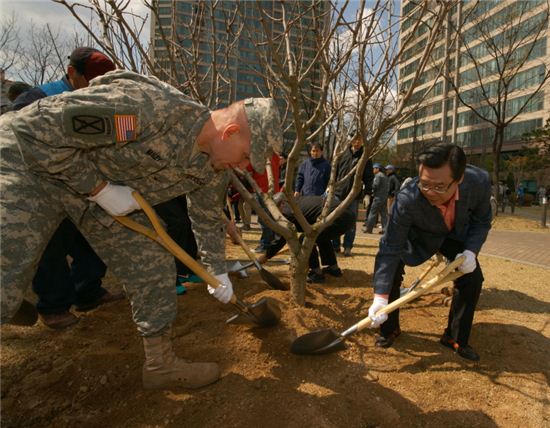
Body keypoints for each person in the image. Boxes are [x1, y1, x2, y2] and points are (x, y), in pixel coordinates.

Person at [0, 70, 282, 390]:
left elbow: (204, 218)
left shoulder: (212, 168)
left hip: (96, 190)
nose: (244, 168)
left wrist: (216, 271)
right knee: (4, 282)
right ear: (230, 132)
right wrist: (98, 189)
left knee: (154, 262)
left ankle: (159, 364)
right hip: (29, 161)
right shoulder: (147, 111)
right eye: (246, 157)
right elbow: (31, 127)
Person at [11, 47, 123, 329]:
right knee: (52, 245)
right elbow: (13, 137)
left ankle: (88, 292)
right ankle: (54, 307)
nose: (98, 90)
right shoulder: (38, 98)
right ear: (73, 73)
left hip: (82, 188)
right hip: (42, 189)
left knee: (93, 238)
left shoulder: (99, 103)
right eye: (92, 82)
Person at [366, 143, 492, 362]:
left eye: (440, 186)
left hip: (455, 235)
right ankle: (389, 329)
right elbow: (390, 247)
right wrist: (380, 297)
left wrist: (471, 251)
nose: (430, 193)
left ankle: (455, 337)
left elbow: (482, 220)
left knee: (472, 279)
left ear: (459, 178)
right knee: (392, 268)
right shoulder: (408, 198)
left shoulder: (479, 181)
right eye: (425, 184)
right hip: (419, 235)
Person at [259, 194, 354, 283]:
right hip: (347, 214)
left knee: (306, 239)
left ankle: (316, 273)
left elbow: (282, 238)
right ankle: (333, 268)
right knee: (320, 236)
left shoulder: (287, 211)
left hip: (339, 217)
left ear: (281, 204)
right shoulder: (294, 203)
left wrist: (266, 256)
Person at [332, 134, 374, 257]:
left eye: (359, 139)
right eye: (355, 139)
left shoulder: (365, 157)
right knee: (335, 220)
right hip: (338, 193)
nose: (356, 142)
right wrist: (331, 186)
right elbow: (335, 172)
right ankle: (335, 246)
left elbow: (369, 178)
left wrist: (367, 194)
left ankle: (348, 247)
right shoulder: (342, 154)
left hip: (353, 195)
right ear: (351, 140)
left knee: (351, 222)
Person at [363, 163, 389, 234]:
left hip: (378, 197)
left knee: (372, 213)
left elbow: (375, 185)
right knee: (384, 214)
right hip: (384, 197)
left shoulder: (378, 176)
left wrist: (368, 189)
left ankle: (369, 229)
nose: (373, 170)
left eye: (374, 168)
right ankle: (385, 230)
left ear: (377, 169)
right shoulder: (385, 176)